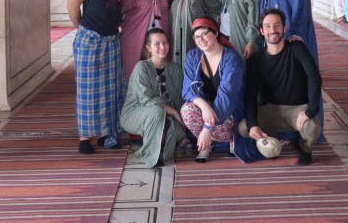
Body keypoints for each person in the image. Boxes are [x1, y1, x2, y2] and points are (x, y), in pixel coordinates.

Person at [66, 0, 131, 154]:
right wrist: (82, 29)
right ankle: (85, 136)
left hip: (112, 40)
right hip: (89, 40)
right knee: (87, 89)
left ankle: (106, 133)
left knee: (111, 89)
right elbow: (73, 4)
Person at [241, 9, 323, 166]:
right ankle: (271, 137)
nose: (273, 30)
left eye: (277, 25)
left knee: (312, 129)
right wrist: (253, 125)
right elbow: (250, 95)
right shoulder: (255, 61)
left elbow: (314, 77)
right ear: (262, 31)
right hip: (272, 110)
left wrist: (310, 110)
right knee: (244, 128)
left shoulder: (297, 48)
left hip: (298, 109)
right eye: (268, 26)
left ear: (284, 28)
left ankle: (305, 149)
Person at [181, 17, 245, 163]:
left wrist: (207, 128)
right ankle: (206, 144)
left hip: (231, 110)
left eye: (205, 34)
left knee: (229, 116)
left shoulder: (231, 58)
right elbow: (187, 88)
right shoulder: (193, 56)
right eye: (197, 36)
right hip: (208, 110)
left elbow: (227, 95)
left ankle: (231, 137)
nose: (201, 39)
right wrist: (205, 107)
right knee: (187, 110)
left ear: (216, 33)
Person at [120, 29, 187, 168]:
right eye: (157, 44)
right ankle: (150, 155)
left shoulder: (175, 69)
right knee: (157, 111)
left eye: (165, 42)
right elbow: (146, 100)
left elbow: (180, 99)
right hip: (136, 114)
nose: (162, 47)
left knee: (178, 131)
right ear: (148, 48)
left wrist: (183, 118)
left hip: (166, 116)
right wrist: (172, 111)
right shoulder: (142, 67)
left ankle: (162, 147)